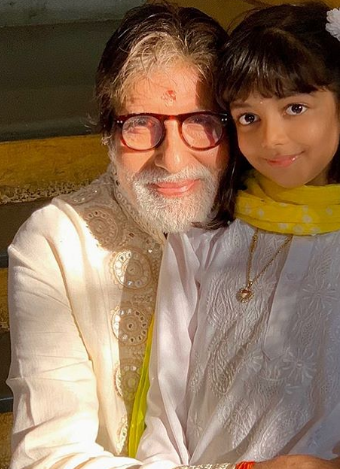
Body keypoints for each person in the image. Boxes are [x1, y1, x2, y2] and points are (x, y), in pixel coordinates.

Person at [135, 2, 340, 469]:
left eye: (295, 108)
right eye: (249, 117)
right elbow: (166, 406)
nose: (272, 139)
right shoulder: (200, 237)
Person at [7, 2, 229, 468]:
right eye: (141, 125)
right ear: (108, 132)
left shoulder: (279, 222)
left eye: (201, 122)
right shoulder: (56, 243)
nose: (172, 160)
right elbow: (47, 456)